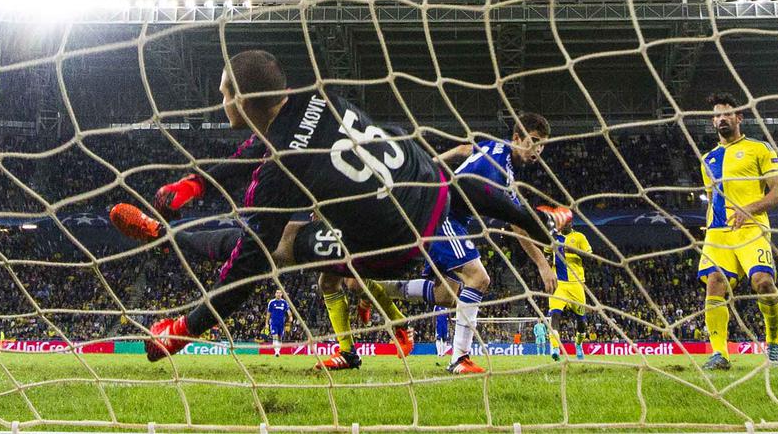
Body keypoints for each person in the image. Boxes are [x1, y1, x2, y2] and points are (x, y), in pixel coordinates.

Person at [110, 50, 557, 367]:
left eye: (225, 93)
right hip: (425, 180)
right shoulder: (316, 97)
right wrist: (195, 182)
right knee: (448, 195)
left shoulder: (279, 173)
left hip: (396, 243)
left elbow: (247, 270)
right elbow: (261, 146)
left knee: (275, 247)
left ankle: (165, 237)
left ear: (243, 101)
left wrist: (186, 328)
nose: (221, 100)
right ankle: (532, 219)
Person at [368, 114, 561, 374]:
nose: (538, 150)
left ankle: (375, 290)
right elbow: (517, 224)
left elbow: (463, 149)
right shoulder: (501, 169)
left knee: (445, 295)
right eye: (534, 141)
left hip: (442, 212)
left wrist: (429, 165)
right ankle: (459, 359)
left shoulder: (496, 147)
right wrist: (542, 265)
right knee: (479, 279)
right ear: (517, 137)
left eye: (543, 145)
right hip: (443, 213)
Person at [697, 92, 778, 370]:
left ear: (739, 117)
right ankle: (719, 354)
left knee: (763, 283)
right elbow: (712, 199)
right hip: (718, 233)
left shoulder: (760, 149)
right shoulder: (707, 159)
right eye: (717, 115)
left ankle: (773, 339)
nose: (722, 118)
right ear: (713, 122)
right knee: (715, 283)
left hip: (751, 228)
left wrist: (749, 209)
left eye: (727, 113)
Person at [547, 214, 592, 361]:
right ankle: (554, 348)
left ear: (571, 223)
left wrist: (573, 251)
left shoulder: (579, 237)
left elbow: (589, 256)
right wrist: (547, 265)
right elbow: (547, 254)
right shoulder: (554, 238)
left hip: (576, 284)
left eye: (568, 222)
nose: (565, 225)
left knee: (581, 321)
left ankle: (578, 345)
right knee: (555, 315)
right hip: (559, 284)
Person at [267, 290, 290, 356]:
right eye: (277, 293)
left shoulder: (284, 302)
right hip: (273, 323)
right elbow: (268, 313)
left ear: (282, 294)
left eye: (280, 293)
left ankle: (278, 351)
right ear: (275, 294)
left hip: (281, 323)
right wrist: (266, 323)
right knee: (275, 336)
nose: (278, 294)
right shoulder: (271, 302)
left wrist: (290, 316)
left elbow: (288, 311)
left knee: (280, 338)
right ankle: (276, 352)